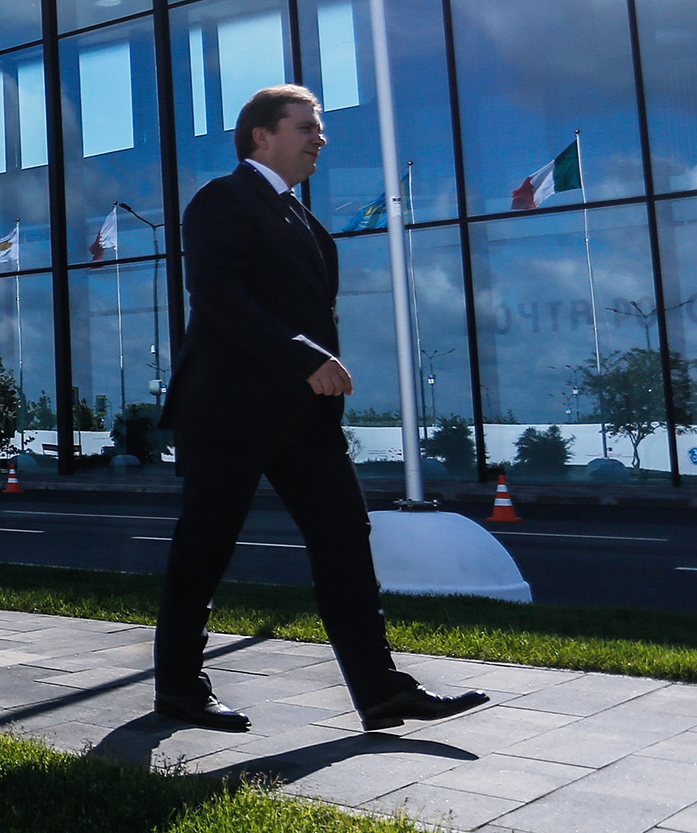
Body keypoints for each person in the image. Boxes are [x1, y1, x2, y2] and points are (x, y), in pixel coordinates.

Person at [153, 86, 489, 733]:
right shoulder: (223, 198)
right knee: (206, 547)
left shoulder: (304, 220)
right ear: (262, 135)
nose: (319, 138)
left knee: (344, 537)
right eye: (305, 127)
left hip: (303, 418)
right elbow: (216, 292)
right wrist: (302, 354)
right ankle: (180, 688)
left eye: (319, 128)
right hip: (227, 411)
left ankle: (382, 691)